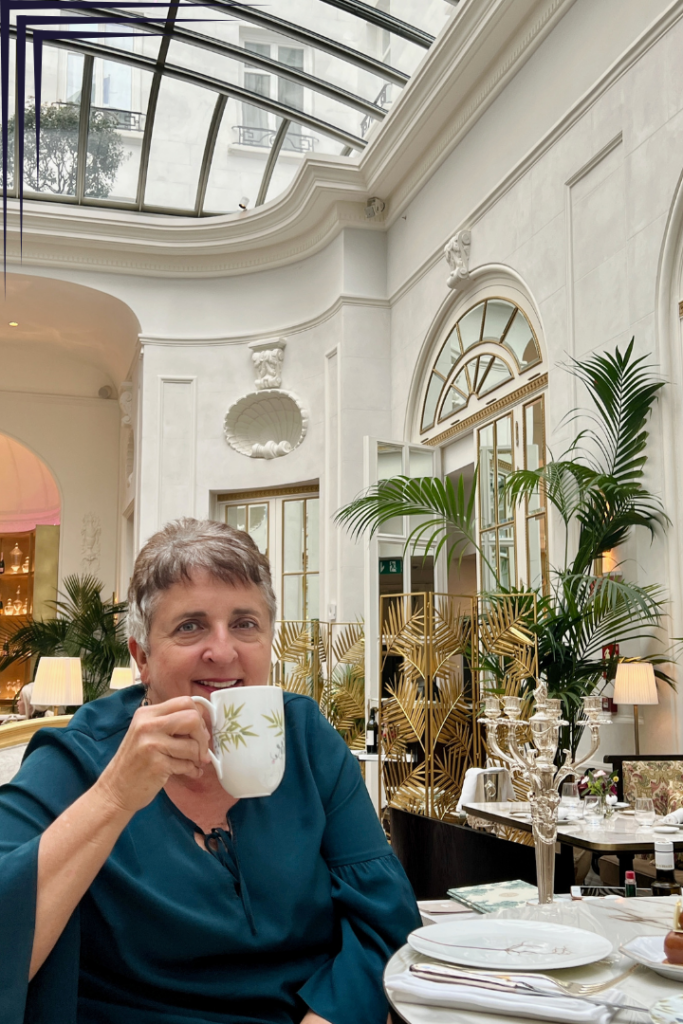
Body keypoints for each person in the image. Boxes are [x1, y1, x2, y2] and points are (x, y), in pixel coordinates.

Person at [0, 518, 420, 1024]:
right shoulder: (79, 758)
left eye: (245, 624)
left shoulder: (306, 740)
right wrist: (114, 797)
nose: (222, 651)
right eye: (190, 625)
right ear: (143, 658)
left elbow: (383, 919)